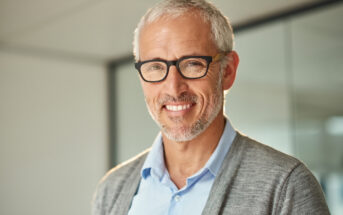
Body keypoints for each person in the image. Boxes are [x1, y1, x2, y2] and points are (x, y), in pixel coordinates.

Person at [92, 0, 330, 214]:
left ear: (227, 71)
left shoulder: (286, 185)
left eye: (193, 64)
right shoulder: (112, 189)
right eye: (155, 66)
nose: (173, 89)